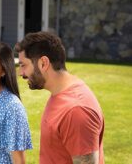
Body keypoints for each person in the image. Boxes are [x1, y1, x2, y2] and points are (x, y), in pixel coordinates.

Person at [15, 31, 105, 164]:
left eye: (23, 65)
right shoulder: (60, 94)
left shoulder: (76, 110)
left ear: (43, 63)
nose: (20, 73)